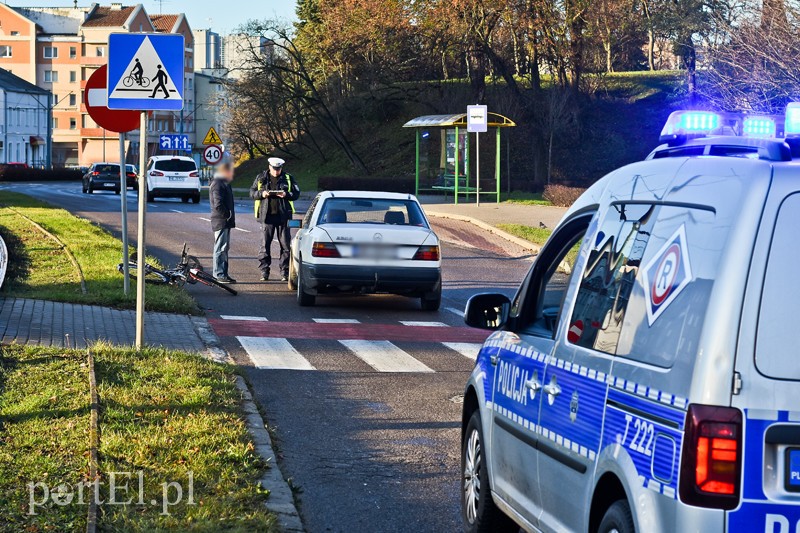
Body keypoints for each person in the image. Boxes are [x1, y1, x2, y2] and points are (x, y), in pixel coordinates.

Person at [250, 157, 300, 281]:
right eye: (274, 169)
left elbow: (297, 193)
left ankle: (284, 271)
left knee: (286, 246)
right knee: (264, 245)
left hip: (283, 217)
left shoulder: (288, 178)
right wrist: (262, 194)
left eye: (279, 169)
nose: (277, 171)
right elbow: (252, 192)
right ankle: (264, 271)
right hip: (267, 217)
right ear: (269, 167)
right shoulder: (261, 177)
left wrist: (286, 194)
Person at [209, 152, 236, 284]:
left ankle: (223, 273)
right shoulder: (218, 183)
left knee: (224, 248)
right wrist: (227, 215)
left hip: (225, 220)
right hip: (221, 220)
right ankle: (219, 274)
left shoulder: (224, 182)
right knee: (220, 247)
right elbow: (218, 204)